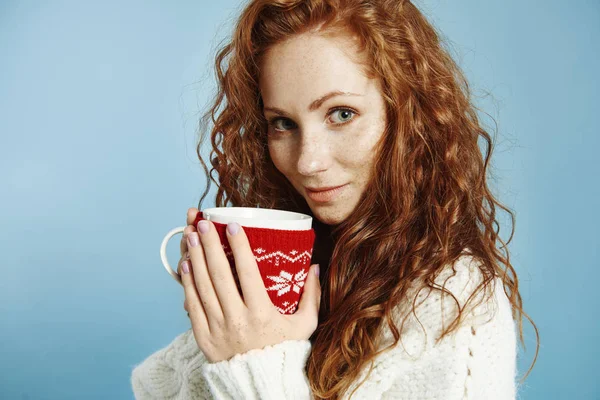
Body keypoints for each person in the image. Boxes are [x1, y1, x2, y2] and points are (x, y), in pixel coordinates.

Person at [131, 0, 539, 398]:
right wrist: (221, 317)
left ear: (407, 115)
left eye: (341, 114)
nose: (307, 162)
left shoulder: (455, 299)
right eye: (283, 123)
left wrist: (254, 363)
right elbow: (156, 387)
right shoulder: (310, 262)